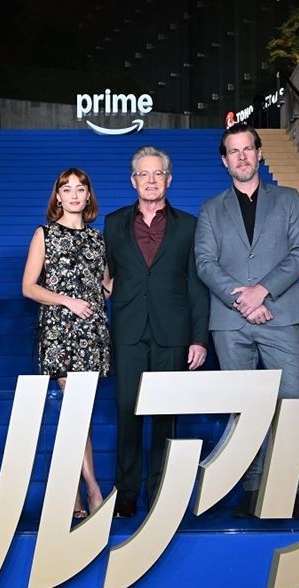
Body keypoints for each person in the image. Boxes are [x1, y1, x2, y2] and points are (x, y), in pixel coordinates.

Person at [194, 122, 299, 520]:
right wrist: (242, 299)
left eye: (248, 148)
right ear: (224, 160)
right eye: (234, 151)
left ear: (260, 153)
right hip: (231, 323)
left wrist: (262, 291)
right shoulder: (210, 210)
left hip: (280, 314)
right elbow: (205, 263)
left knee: (293, 402)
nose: (242, 156)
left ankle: (298, 491)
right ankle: (252, 488)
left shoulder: (288, 198)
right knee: (243, 409)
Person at [103, 146, 208, 520]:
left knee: (167, 417)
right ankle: (126, 494)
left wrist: (199, 338)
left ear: (169, 179)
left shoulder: (189, 226)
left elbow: (197, 285)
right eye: (143, 174)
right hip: (128, 331)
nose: (151, 180)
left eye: (158, 173)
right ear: (133, 181)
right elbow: (106, 276)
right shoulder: (113, 223)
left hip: (172, 332)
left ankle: (163, 493)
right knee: (127, 414)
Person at [21, 168, 111, 519]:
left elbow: (106, 287)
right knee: (77, 411)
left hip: (93, 334)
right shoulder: (45, 234)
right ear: (57, 196)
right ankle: (93, 488)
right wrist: (67, 301)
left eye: (80, 188)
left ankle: (71, 490)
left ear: (88, 196)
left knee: (80, 415)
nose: (74, 195)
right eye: (67, 189)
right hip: (61, 332)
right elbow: (29, 287)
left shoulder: (98, 239)